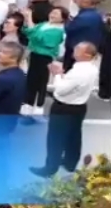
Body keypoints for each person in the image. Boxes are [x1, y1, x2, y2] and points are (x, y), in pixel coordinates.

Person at [30, 42, 99, 178]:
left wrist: (57, 74)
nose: (74, 49)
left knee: (55, 139)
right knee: (74, 136)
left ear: (87, 55)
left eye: (78, 49)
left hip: (64, 108)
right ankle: (70, 162)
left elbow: (60, 90)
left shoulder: (79, 72)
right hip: (80, 107)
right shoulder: (92, 68)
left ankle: (50, 169)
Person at [21, 7, 66, 116]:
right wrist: (27, 20)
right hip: (34, 54)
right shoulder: (43, 24)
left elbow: (38, 37)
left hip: (45, 57)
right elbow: (27, 31)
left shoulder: (59, 31)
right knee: (31, 79)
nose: (52, 15)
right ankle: (28, 103)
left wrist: (29, 18)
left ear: (62, 18)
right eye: (52, 12)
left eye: (56, 13)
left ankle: (39, 104)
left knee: (41, 81)